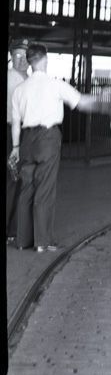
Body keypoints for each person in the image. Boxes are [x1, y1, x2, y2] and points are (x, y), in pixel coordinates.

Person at [9, 43, 102, 252]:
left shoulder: (20, 90)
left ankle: (23, 241)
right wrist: (99, 100)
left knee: (26, 190)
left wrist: (15, 148)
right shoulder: (55, 84)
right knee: (45, 189)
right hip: (48, 138)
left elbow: (15, 122)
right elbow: (81, 103)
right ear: (45, 60)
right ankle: (42, 241)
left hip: (26, 140)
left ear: (30, 62)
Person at [6, 38, 30, 242]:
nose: (22, 61)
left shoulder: (25, 78)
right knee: (13, 181)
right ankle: (10, 230)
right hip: (13, 133)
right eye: (18, 56)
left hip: (19, 133)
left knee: (17, 180)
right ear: (12, 57)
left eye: (25, 56)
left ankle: (14, 228)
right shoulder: (14, 79)